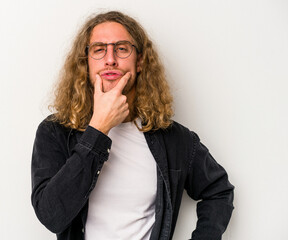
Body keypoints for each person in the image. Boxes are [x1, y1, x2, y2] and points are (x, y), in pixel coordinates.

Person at [31, 11, 234, 240]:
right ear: (86, 63)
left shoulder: (174, 139)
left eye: (122, 48)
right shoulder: (55, 131)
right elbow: (51, 216)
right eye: (99, 49)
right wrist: (98, 128)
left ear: (139, 62)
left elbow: (219, 191)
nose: (110, 59)